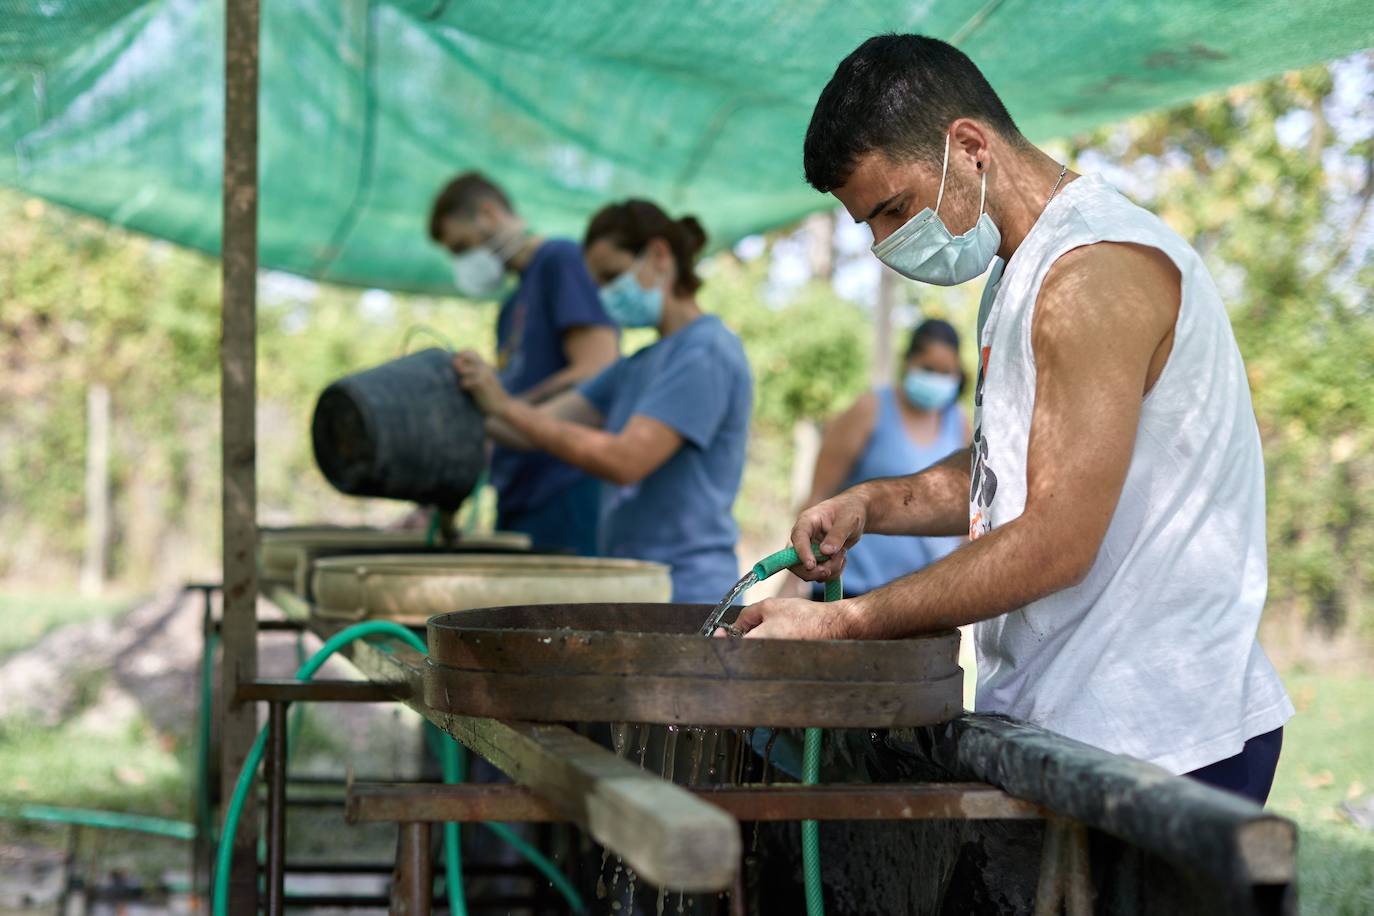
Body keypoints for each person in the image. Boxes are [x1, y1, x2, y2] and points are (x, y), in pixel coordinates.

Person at [734, 34, 1292, 805]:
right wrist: (872, 504)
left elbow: (1056, 541)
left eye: (893, 208)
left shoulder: (1092, 272)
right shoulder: (1019, 272)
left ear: (968, 147)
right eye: (868, 226)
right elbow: (1008, 466)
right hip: (1070, 720)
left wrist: (841, 624)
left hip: (1160, 739)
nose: (886, 244)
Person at [454, 200, 753, 603]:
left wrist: (504, 405)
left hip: (690, 596)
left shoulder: (705, 352)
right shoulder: (636, 366)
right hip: (639, 589)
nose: (607, 297)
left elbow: (625, 460)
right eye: (599, 286)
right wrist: (459, 408)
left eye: (613, 276)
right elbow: (529, 430)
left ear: (659, 256)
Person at [428, 172, 618, 555]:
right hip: (517, 492)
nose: (465, 261)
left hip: (564, 487)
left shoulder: (559, 260)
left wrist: (504, 406)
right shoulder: (511, 305)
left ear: (488, 213)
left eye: (463, 246)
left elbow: (599, 367)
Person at [784, 318, 970, 600]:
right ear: (907, 362)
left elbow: (964, 509)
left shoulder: (959, 422)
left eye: (946, 373)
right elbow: (818, 497)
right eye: (928, 369)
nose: (936, 380)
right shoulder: (869, 410)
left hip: (918, 599)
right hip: (850, 592)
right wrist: (791, 580)